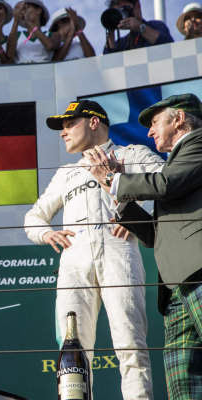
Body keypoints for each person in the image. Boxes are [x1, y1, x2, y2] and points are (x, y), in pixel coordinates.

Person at [24, 100, 164, 398]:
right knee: (73, 349)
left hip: (119, 252)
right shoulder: (66, 172)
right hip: (73, 260)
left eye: (68, 124)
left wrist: (138, 216)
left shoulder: (131, 154)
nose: (63, 133)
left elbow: (167, 184)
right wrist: (47, 233)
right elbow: (33, 218)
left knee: (131, 342)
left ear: (93, 122)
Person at [85, 94, 202, 399]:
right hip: (176, 287)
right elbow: (156, 236)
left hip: (199, 272)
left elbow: (165, 184)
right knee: (183, 386)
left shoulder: (198, 143)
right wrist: (120, 199)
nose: (149, 132)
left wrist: (113, 178)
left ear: (178, 120)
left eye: (154, 123)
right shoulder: (175, 162)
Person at [103, 0, 173, 54]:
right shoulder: (124, 42)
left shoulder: (156, 26)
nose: (122, 15)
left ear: (138, 6)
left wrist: (140, 27)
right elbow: (109, 60)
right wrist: (110, 32)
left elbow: (168, 46)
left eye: (124, 9)